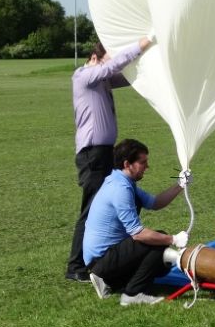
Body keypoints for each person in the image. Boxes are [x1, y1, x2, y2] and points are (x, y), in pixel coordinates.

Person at [65, 35, 155, 283]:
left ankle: (121, 253)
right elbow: (113, 67)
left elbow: (126, 76)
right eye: (107, 59)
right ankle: (76, 267)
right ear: (95, 58)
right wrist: (141, 44)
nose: (111, 65)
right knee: (91, 209)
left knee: (126, 197)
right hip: (92, 155)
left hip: (103, 152)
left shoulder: (101, 79)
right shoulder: (84, 76)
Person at [84, 138, 190, 306]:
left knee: (161, 264)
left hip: (103, 258)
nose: (147, 167)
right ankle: (131, 294)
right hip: (101, 260)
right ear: (127, 164)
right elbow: (138, 234)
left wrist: (180, 184)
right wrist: (172, 239)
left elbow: (155, 203)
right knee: (158, 241)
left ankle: (111, 281)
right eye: (143, 162)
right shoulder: (120, 188)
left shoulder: (121, 181)